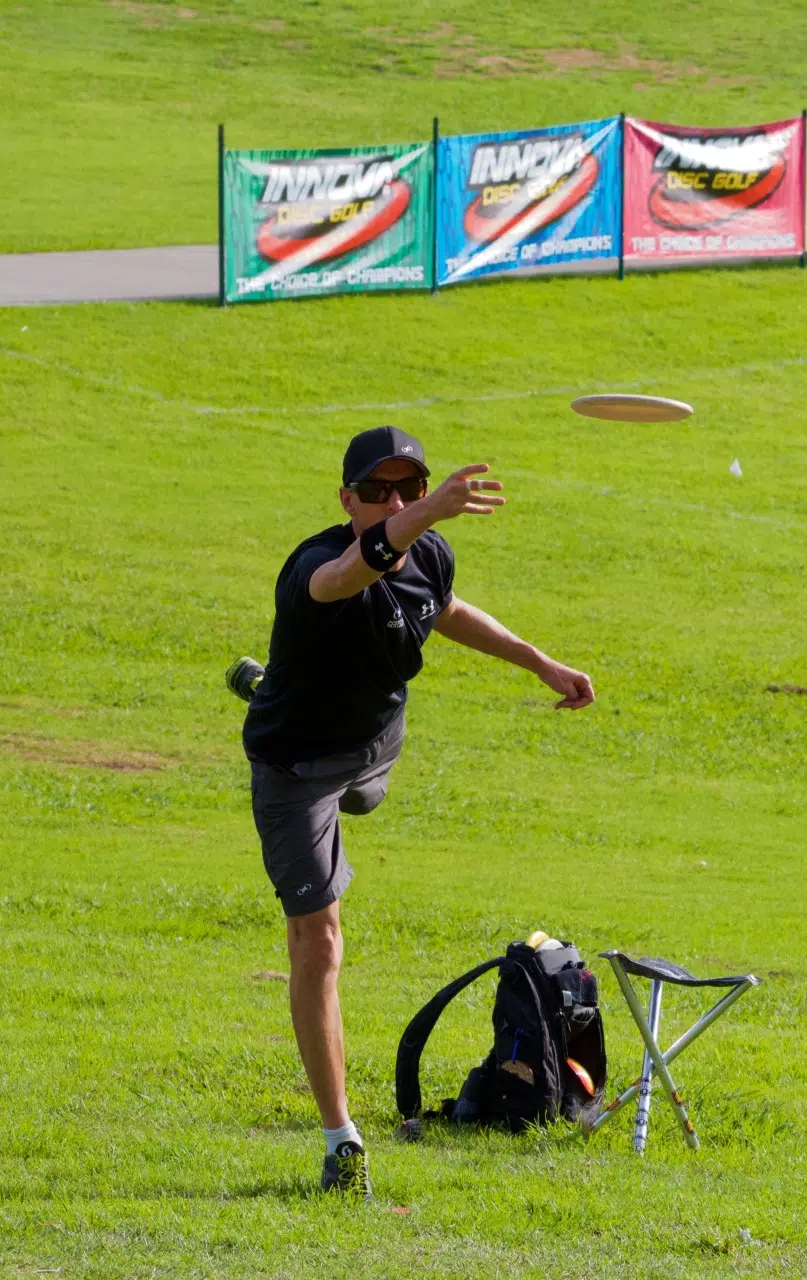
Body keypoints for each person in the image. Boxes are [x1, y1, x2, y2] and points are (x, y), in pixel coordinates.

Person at [228, 426, 594, 1198]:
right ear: (346, 499)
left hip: (376, 745)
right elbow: (342, 579)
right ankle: (341, 1140)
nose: (394, 502)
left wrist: (542, 662)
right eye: (379, 491)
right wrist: (421, 514)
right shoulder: (310, 568)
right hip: (298, 772)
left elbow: (450, 610)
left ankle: (273, 685)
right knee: (318, 938)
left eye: (408, 488)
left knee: (366, 789)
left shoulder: (428, 555)